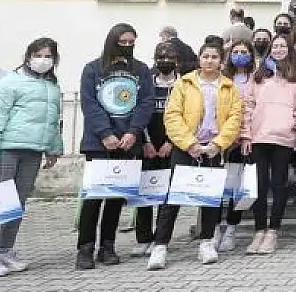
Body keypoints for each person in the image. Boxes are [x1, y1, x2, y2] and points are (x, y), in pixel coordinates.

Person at [146, 40, 243, 270]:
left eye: (214, 57)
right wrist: (189, 144)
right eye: (206, 56)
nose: (210, 60)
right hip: (186, 147)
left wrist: (218, 144)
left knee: (210, 198)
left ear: (221, 61)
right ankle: (160, 246)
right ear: (199, 59)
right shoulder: (184, 83)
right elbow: (172, 116)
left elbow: (234, 119)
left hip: (213, 149)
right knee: (173, 198)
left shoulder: (229, 87)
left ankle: (207, 241)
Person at [76, 23, 154, 270]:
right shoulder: (93, 69)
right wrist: (105, 133)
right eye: (123, 42)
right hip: (99, 143)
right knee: (94, 197)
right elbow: (89, 104)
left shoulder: (141, 70)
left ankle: (107, 246)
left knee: (115, 198)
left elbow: (145, 103)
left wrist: (133, 132)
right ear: (112, 41)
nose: (128, 46)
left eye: (132, 42)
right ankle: (85, 248)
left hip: (127, 142)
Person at [0, 38, 63, 277]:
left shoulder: (52, 86)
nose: (43, 60)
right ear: (28, 56)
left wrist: (53, 149)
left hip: (33, 151)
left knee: (17, 203)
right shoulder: (11, 82)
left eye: (49, 56)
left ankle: (5, 251)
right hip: (7, 150)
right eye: (39, 55)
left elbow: (53, 122)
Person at [241, 33, 296, 256]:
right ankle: (259, 229)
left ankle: (273, 231)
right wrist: (246, 135)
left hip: (283, 137)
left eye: (282, 46)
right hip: (259, 136)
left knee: (279, 185)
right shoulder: (259, 75)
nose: (278, 49)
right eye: (275, 46)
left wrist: (295, 119)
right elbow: (248, 105)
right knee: (258, 185)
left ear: (289, 49)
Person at [132, 42, 179, 257]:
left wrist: (172, 141)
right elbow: (138, 114)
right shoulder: (146, 83)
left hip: (173, 145)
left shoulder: (183, 84)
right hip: (148, 145)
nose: (164, 60)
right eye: (160, 56)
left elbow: (187, 116)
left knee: (166, 193)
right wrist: (146, 142)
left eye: (169, 56)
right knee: (145, 191)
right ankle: (143, 238)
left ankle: (160, 237)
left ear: (176, 60)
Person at [212, 40, 253, 252]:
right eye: (236, 52)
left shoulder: (256, 79)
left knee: (236, 187)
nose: (239, 55)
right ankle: (215, 229)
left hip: (242, 140)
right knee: (218, 186)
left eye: (244, 52)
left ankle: (231, 228)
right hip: (219, 139)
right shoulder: (221, 79)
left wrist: (245, 135)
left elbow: (250, 109)